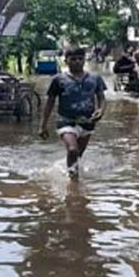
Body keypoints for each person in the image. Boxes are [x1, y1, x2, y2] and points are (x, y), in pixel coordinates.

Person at [40, 46, 107, 179]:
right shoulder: (59, 80)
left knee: (78, 155)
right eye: (73, 59)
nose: (77, 62)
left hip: (87, 122)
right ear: (66, 61)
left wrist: (101, 110)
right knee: (72, 149)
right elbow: (50, 102)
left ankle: (71, 173)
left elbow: (101, 97)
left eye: (80, 59)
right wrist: (43, 125)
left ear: (84, 61)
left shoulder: (95, 78)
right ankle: (73, 183)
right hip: (65, 121)